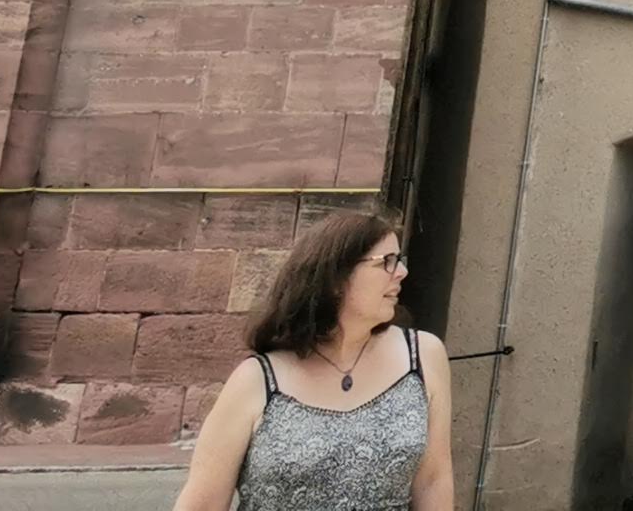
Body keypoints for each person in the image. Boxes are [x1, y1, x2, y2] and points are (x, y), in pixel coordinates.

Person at [171, 207, 452, 511]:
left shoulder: (422, 356)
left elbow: (433, 479)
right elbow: (203, 503)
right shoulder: (258, 380)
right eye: (387, 261)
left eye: (399, 260)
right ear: (335, 278)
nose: (401, 272)